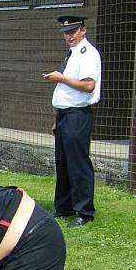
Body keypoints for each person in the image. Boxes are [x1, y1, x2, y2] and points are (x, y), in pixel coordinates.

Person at [42, 15, 102, 228]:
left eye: (73, 31)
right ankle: (64, 207)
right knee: (64, 163)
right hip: (65, 115)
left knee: (78, 164)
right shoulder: (73, 52)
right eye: (66, 33)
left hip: (78, 115)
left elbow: (88, 86)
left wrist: (61, 78)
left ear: (83, 31)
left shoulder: (87, 53)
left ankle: (84, 212)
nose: (69, 36)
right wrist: (57, 118)